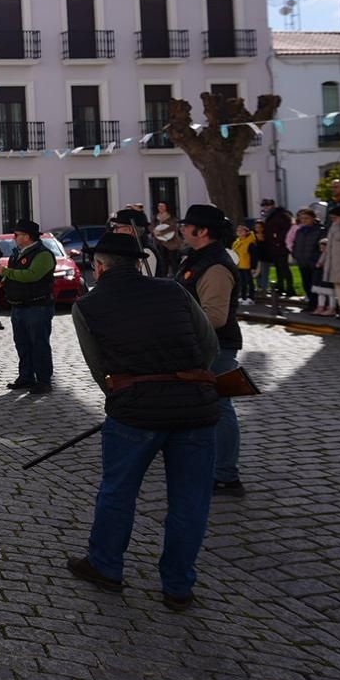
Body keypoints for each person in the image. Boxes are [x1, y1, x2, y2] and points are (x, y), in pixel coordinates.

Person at [66, 232, 220, 612]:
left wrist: (125, 395)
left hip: (135, 412)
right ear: (138, 263)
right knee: (190, 501)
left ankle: (106, 565)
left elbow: (98, 368)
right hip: (194, 407)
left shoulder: (88, 305)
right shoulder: (172, 290)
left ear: (98, 266)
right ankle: (178, 586)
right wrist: (183, 378)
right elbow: (208, 346)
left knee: (118, 492)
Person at [175, 204, 247, 496]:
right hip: (199, 345)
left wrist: (176, 325)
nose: (182, 229)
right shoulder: (198, 258)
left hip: (215, 347)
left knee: (219, 407)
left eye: (187, 225)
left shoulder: (215, 266)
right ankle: (208, 465)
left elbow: (215, 317)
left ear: (202, 231)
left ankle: (226, 475)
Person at [0, 220, 55, 393]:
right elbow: (12, 274)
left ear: (27, 237)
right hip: (18, 306)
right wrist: (2, 281)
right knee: (22, 344)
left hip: (37, 306)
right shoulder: (16, 254)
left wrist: (5, 272)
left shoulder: (43, 254)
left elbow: (32, 275)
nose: (14, 238)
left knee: (39, 344)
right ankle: (26, 377)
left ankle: (43, 381)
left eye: (17, 235)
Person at [287, 208, 325, 311]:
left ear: (313, 218)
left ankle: (319, 305)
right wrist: (296, 255)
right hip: (302, 261)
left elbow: (322, 246)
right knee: (306, 283)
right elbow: (296, 244)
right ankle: (311, 304)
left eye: (306, 218)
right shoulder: (300, 231)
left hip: (315, 262)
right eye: (302, 218)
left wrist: (317, 259)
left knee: (316, 284)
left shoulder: (320, 230)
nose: (304, 220)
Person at [258, 199, 294, 299]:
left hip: (280, 246)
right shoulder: (267, 216)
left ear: (273, 205)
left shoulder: (281, 215)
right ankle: (281, 287)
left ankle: (290, 289)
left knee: (284, 267)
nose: (265, 207)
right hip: (272, 246)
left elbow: (286, 229)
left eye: (267, 205)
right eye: (264, 205)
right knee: (278, 268)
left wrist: (278, 240)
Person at [108, 209, 158, 277]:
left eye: (117, 228)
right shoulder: (128, 250)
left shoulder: (145, 251)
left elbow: (145, 281)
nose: (114, 231)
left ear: (130, 229)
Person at [231, 225, 256, 300]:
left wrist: (253, 267)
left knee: (249, 282)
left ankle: (251, 297)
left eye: (241, 230)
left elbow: (254, 256)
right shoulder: (236, 242)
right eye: (238, 230)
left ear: (246, 232)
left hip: (247, 266)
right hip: (239, 265)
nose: (239, 232)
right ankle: (243, 296)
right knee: (241, 282)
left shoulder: (250, 243)